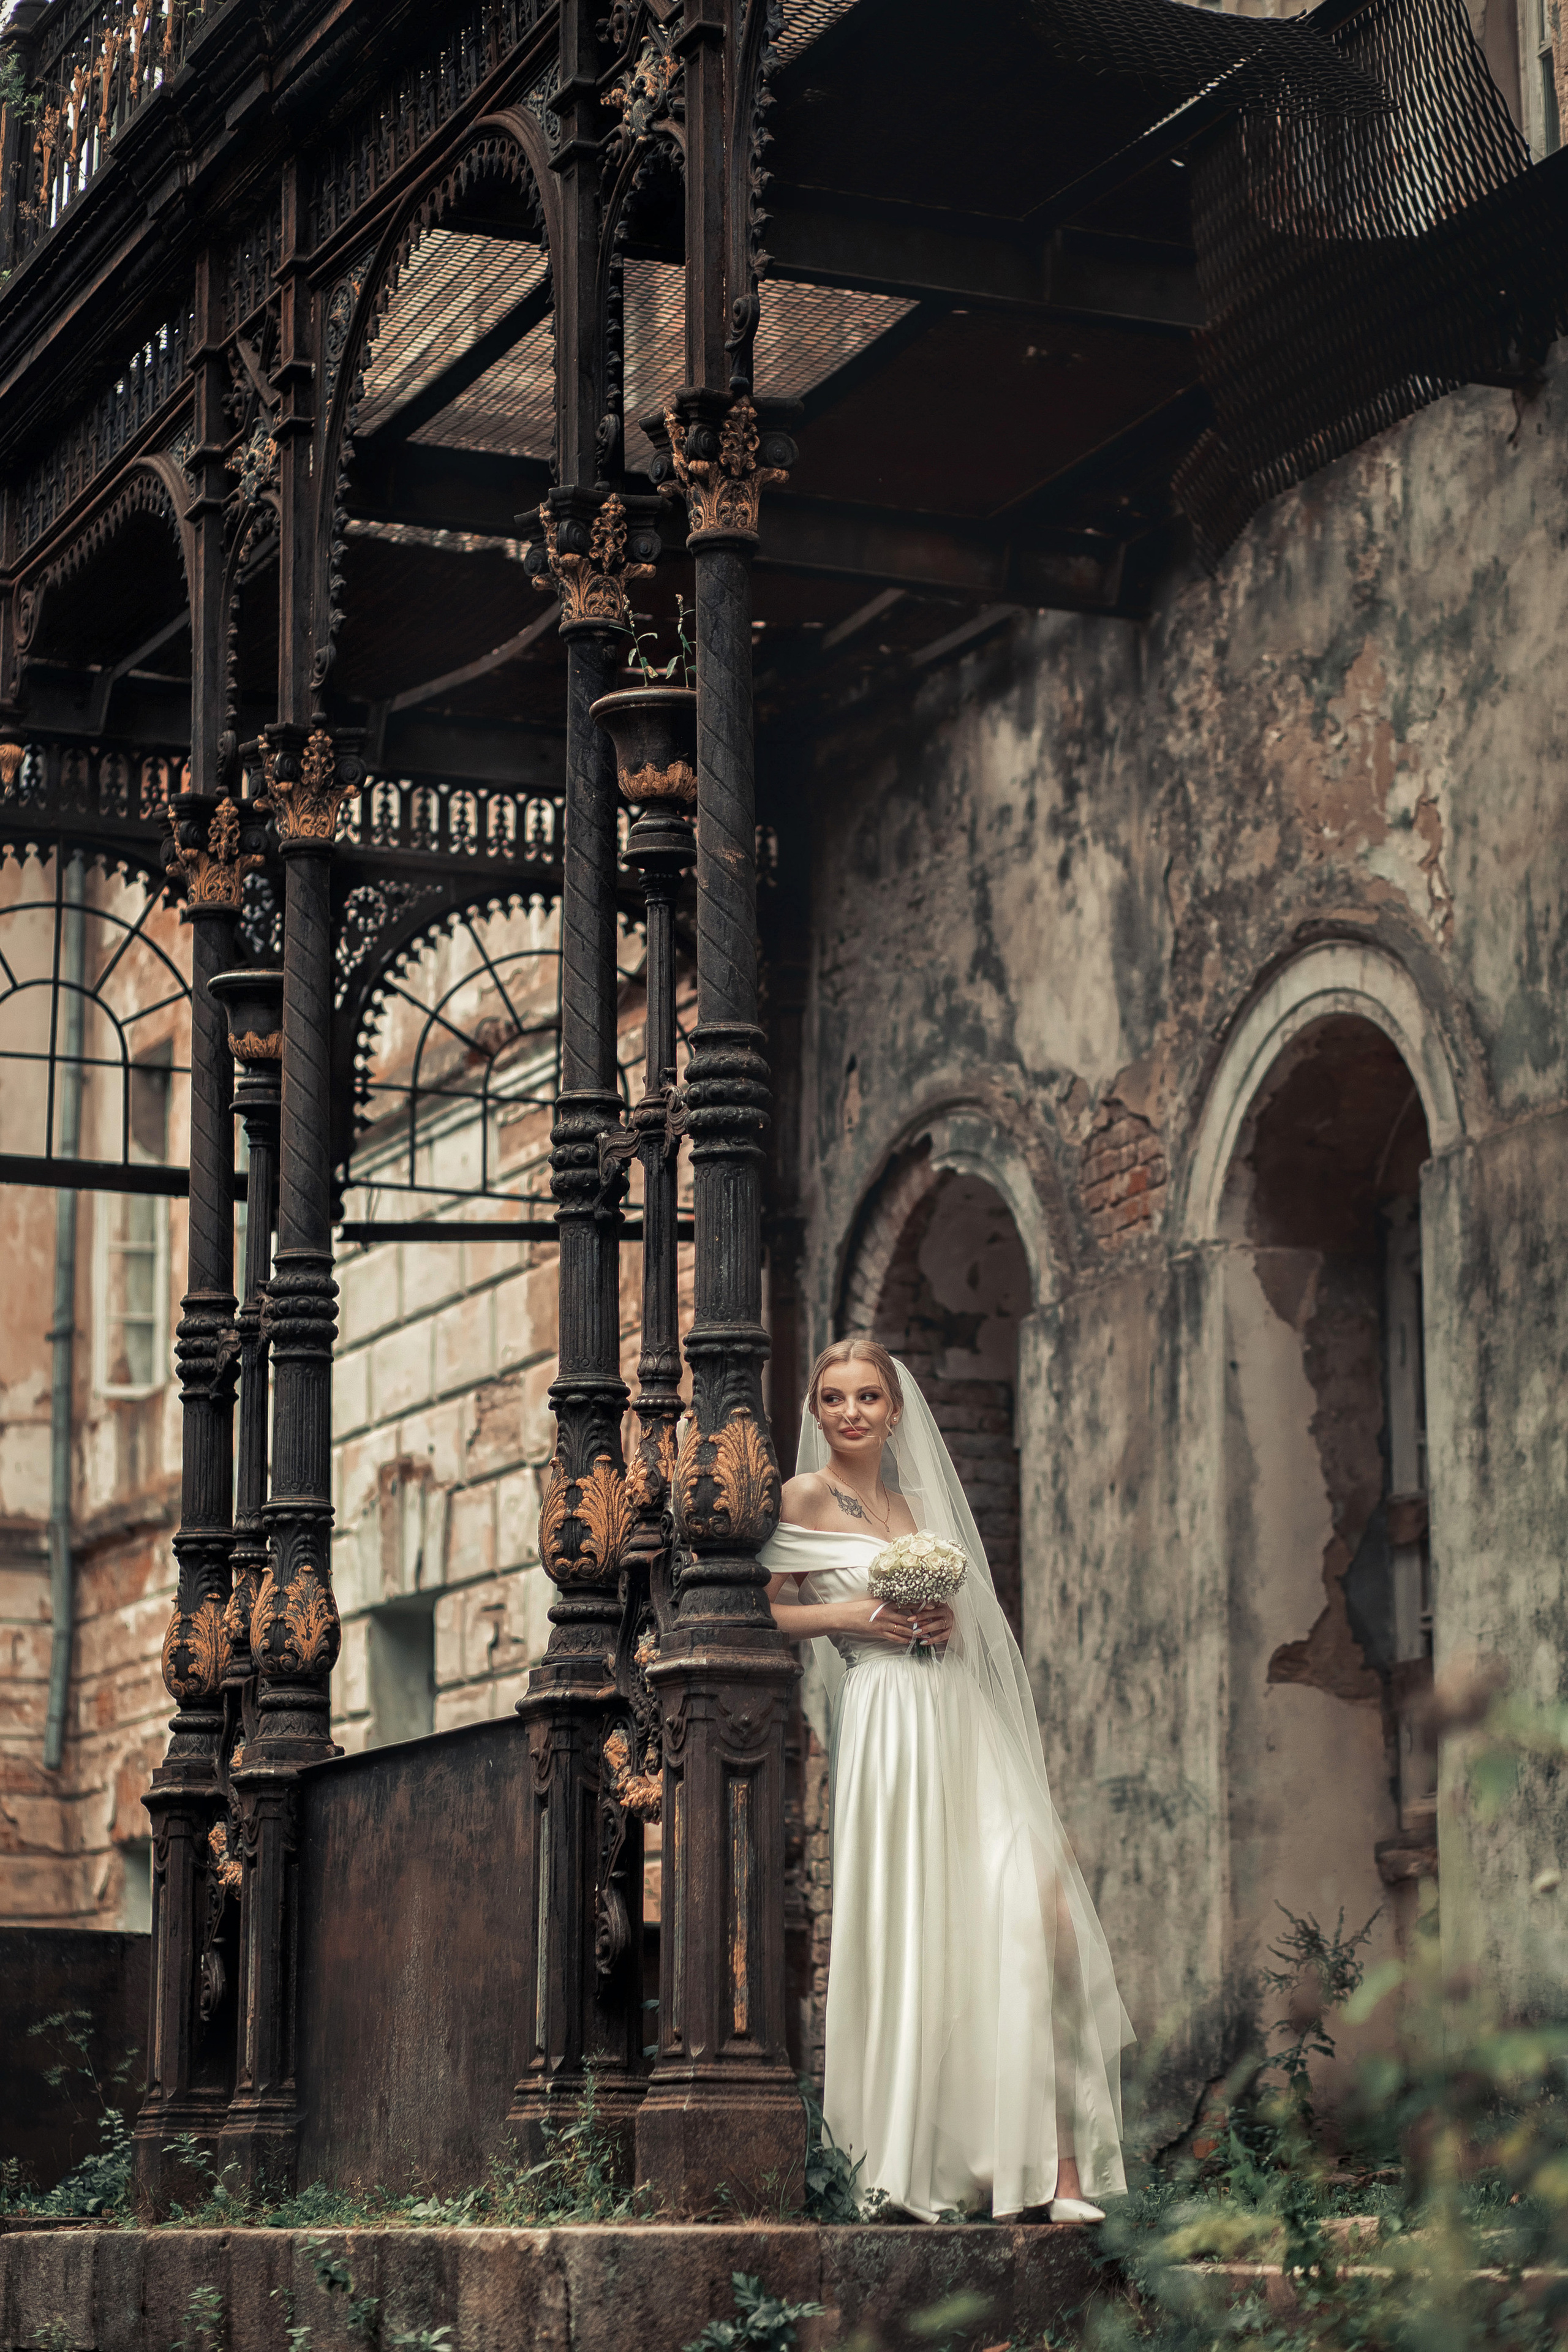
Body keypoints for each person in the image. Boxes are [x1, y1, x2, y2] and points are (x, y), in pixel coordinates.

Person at [760, 1336, 1131, 2223]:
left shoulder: (920, 1502)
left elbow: (967, 1626)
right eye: (835, 1397)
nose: (852, 1412)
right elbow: (768, 1610)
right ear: (816, 1412)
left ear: (895, 1411)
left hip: (961, 1719)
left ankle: (1057, 2174)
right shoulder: (803, 1496)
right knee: (913, 1925)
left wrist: (938, 1623)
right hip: (887, 1721)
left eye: (869, 1397)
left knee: (1043, 1917)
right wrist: (862, 1614)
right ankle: (906, 2161)